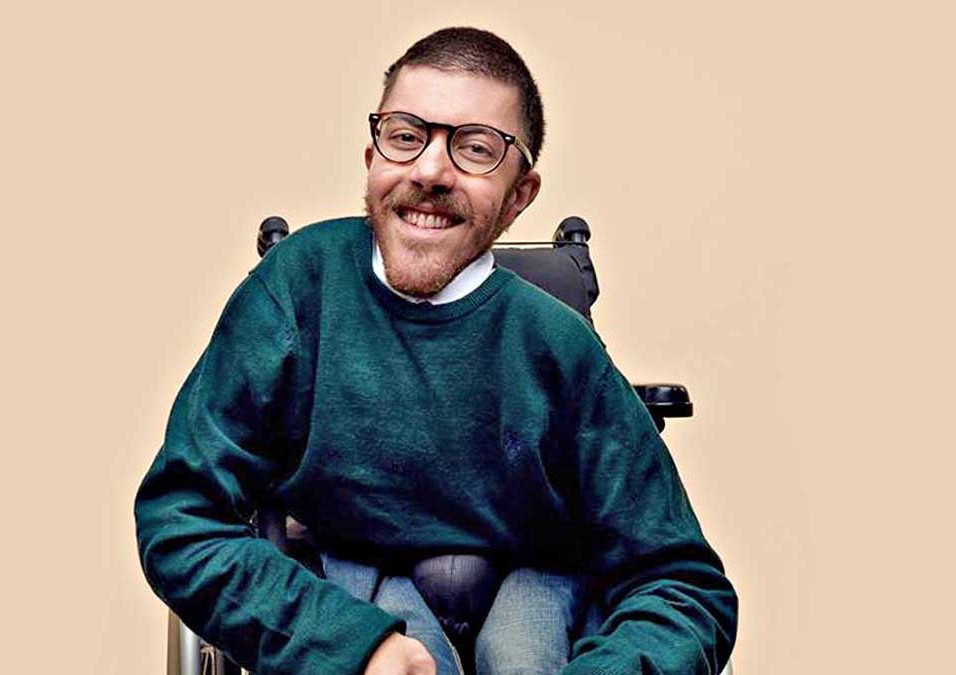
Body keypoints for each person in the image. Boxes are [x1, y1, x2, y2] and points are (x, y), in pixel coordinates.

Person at [135, 27, 737, 675]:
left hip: (541, 590)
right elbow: (180, 516)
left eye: (475, 148)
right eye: (405, 136)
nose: (429, 171)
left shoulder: (562, 351)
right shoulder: (297, 291)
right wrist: (344, 643)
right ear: (372, 156)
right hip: (353, 584)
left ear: (519, 195)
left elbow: (686, 588)